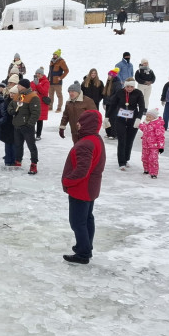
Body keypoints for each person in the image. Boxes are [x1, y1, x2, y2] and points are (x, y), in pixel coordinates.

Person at [61, 110, 106, 265]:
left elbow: (82, 170)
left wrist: (67, 181)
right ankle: (85, 246)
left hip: (81, 189)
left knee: (77, 222)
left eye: (80, 121)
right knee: (87, 218)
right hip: (90, 187)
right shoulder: (96, 139)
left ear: (87, 123)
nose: (77, 123)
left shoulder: (86, 143)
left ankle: (83, 253)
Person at [8, 81, 40, 174]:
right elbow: (10, 106)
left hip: (27, 127)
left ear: (24, 86)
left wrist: (29, 124)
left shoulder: (33, 97)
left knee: (31, 146)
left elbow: (36, 113)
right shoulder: (18, 95)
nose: (17, 86)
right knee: (18, 145)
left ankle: (34, 164)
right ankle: (18, 161)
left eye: (19, 85)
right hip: (17, 125)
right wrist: (11, 111)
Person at [138, 109, 166, 178]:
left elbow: (160, 137)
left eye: (149, 117)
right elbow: (143, 128)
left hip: (154, 146)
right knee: (145, 158)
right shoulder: (146, 123)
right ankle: (146, 169)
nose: (147, 118)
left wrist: (161, 147)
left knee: (153, 159)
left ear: (154, 117)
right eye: (147, 116)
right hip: (145, 145)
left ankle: (153, 173)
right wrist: (138, 125)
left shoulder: (157, 125)